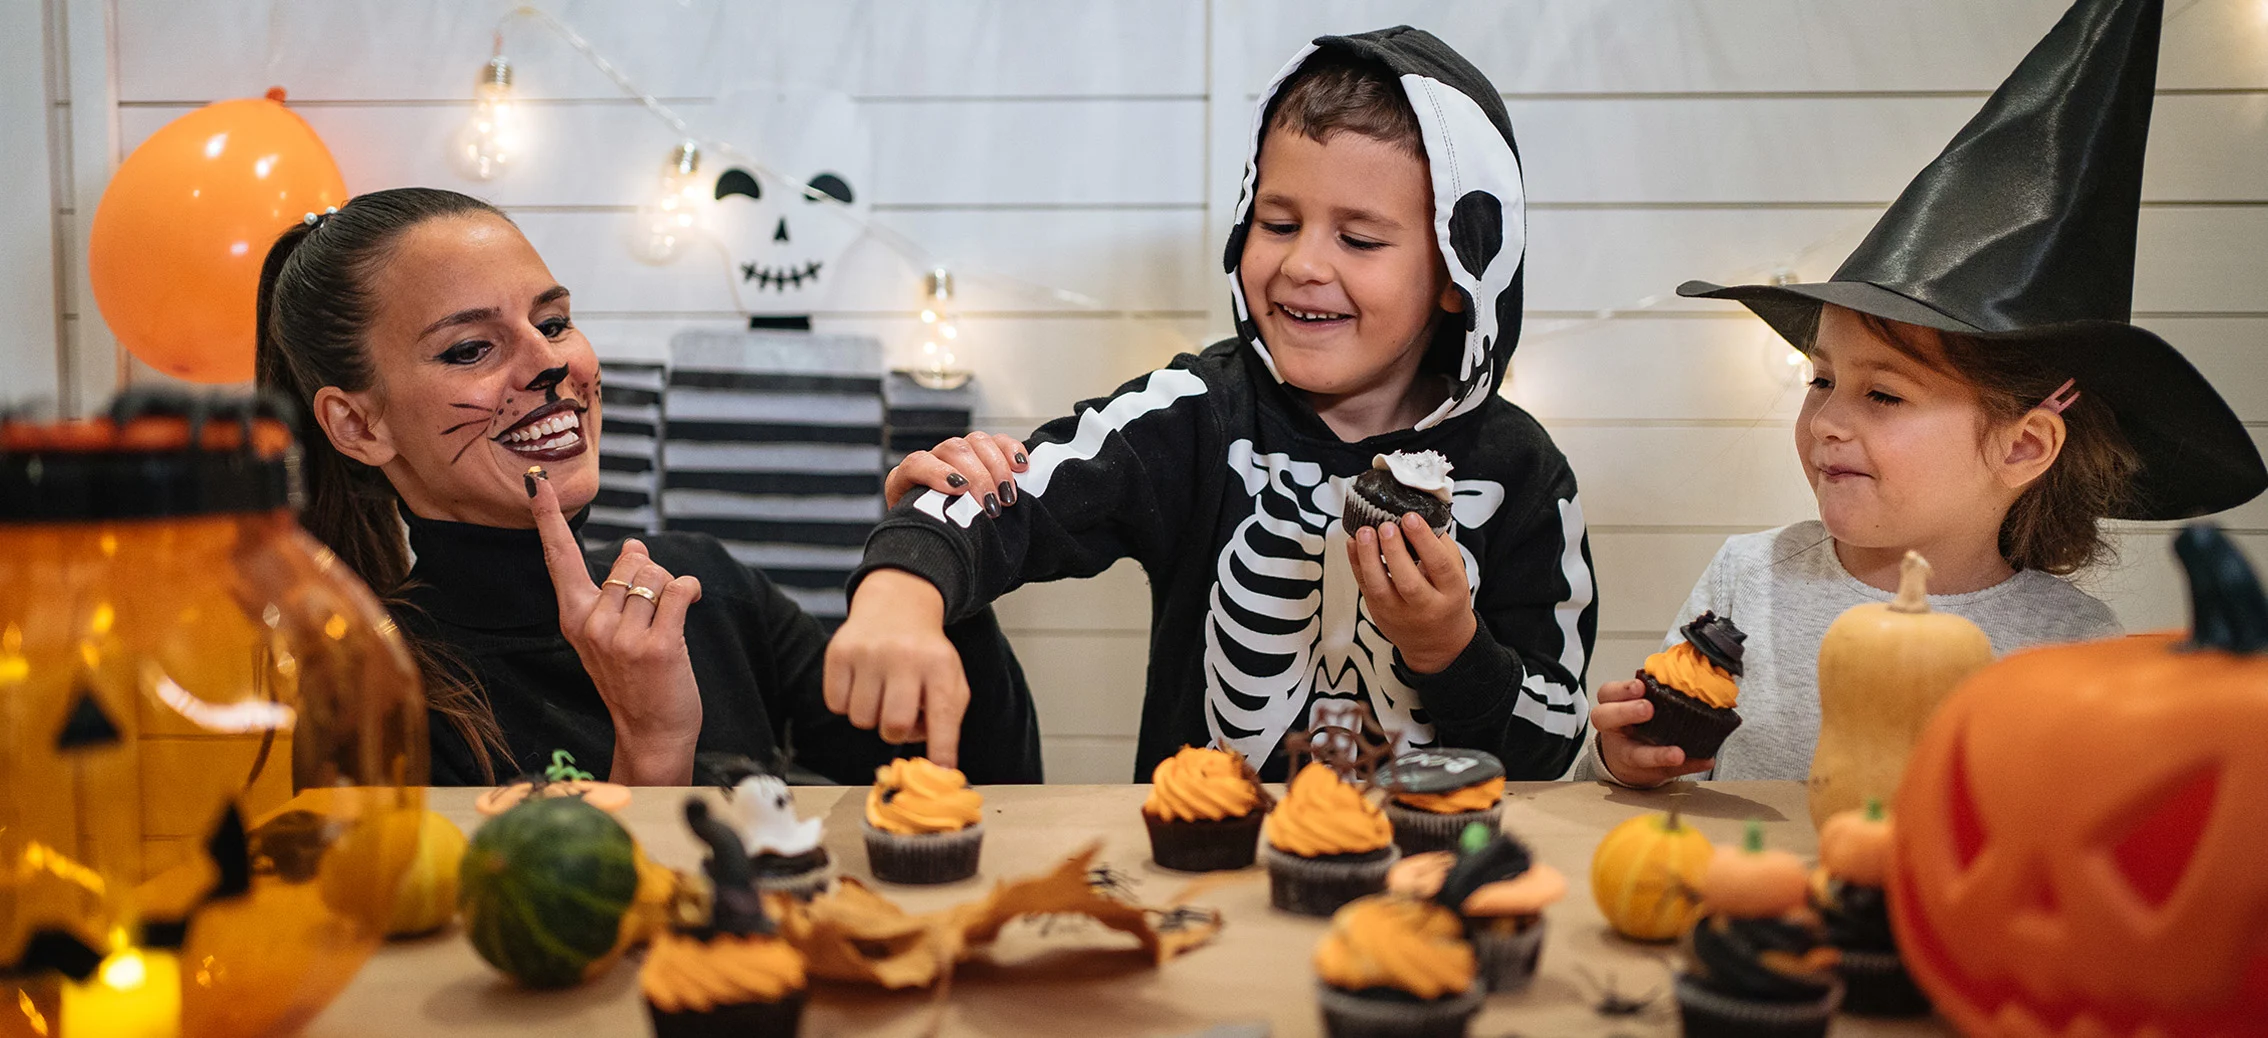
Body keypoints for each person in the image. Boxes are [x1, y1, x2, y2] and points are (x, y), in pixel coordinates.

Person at [828, 29, 1598, 781]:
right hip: (1206, 881)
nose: (1302, 264)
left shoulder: (1522, 473)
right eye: (1279, 223)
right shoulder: (1198, 414)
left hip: (1436, 884)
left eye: (1359, 240)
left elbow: (1553, 743)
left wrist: (1450, 649)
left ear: (1460, 270)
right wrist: (902, 589)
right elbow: (1007, 496)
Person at [1584, 0, 2267, 785]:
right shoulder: (1750, 579)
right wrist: (1624, 754)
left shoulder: (2078, 649)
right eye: (1823, 379)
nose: (1827, 421)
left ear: (2022, 445)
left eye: (1884, 396)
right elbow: (1649, 766)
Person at [253, 187, 1040, 785]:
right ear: (359, 426)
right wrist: (652, 746)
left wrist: (936, 566)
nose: (550, 364)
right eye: (469, 350)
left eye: (554, 323)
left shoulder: (703, 589)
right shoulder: (371, 698)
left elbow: (976, 795)